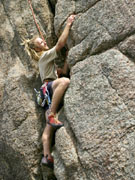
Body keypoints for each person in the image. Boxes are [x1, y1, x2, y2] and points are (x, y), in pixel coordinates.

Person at [23, 14, 76, 168]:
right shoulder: (44, 57)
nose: (44, 42)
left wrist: (67, 59)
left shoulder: (46, 63)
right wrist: (68, 24)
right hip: (48, 88)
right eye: (41, 41)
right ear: (37, 48)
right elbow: (59, 44)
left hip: (46, 92)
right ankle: (52, 114)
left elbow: (62, 71)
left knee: (48, 129)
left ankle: (46, 157)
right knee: (65, 82)